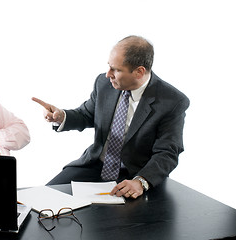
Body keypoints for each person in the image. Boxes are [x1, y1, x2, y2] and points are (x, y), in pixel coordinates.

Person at [32, 35, 189, 199]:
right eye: (109, 66)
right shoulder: (104, 83)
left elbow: (167, 153)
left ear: (139, 72)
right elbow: (86, 114)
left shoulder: (172, 101)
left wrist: (141, 181)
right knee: (44, 197)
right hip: (94, 165)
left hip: (133, 174)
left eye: (116, 69)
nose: (108, 74)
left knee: (111, 221)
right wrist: (61, 116)